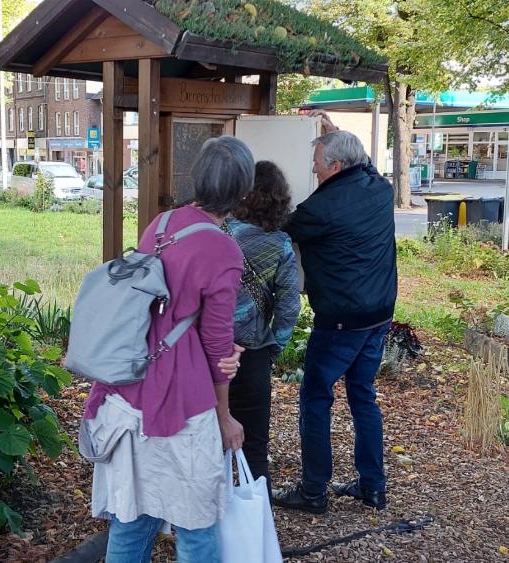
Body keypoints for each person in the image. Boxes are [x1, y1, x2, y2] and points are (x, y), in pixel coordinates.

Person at [81, 136, 252, 562]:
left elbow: (156, 307)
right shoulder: (224, 250)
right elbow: (216, 344)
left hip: (130, 382)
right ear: (242, 193)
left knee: (132, 518)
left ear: (196, 178)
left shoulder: (160, 224)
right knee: (196, 526)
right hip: (181, 398)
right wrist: (225, 416)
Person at [272, 130, 397, 514]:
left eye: (317, 165)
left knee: (315, 397)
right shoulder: (380, 188)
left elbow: (281, 228)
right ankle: (373, 486)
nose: (313, 170)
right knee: (362, 395)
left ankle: (313, 491)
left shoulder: (320, 210)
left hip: (341, 319)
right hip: (379, 314)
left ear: (337, 166)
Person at [224, 161, 301, 494]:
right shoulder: (281, 244)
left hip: (209, 353)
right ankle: (257, 533)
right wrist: (274, 347)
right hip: (253, 355)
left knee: (207, 444)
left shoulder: (220, 232)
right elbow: (288, 308)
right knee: (254, 447)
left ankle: (204, 531)